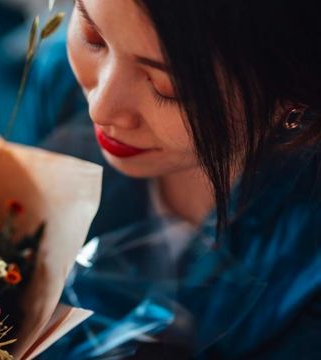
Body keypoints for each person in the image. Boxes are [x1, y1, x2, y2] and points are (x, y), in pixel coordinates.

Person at [23, 0, 321, 358]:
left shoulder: (306, 252)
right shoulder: (61, 83)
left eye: (169, 87)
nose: (99, 108)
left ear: (294, 98)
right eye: (93, 36)